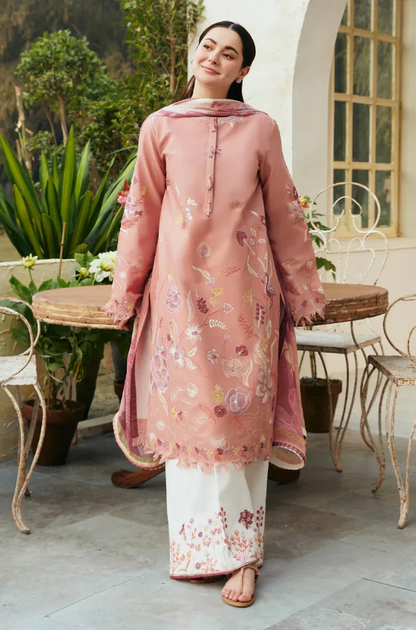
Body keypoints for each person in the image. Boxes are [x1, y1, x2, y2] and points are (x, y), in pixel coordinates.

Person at [105, 20, 325, 608]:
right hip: (178, 301)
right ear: (194, 54)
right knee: (189, 422)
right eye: (208, 46)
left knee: (239, 420)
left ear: (243, 71)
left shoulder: (260, 129)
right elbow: (142, 216)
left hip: (246, 299)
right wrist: (125, 293)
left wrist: (302, 289)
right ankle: (199, 551)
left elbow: (283, 210)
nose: (214, 57)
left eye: (229, 53)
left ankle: (244, 557)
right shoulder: (161, 126)